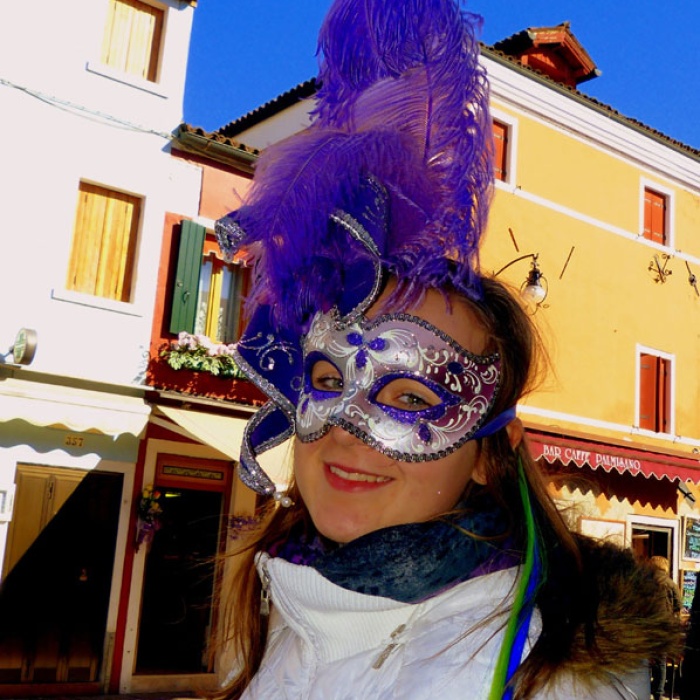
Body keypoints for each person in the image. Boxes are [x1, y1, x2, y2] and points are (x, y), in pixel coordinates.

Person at [210, 1, 683, 698]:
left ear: (490, 453)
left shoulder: (553, 679)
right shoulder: (277, 622)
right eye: (326, 379)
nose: (343, 428)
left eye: (410, 395)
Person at [648, 556, 682, 700]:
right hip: (665, 627)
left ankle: (645, 690)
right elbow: (678, 605)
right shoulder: (671, 584)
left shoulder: (645, 583)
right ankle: (659, 693)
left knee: (645, 662)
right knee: (661, 662)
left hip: (648, 627)